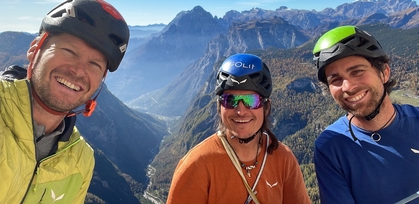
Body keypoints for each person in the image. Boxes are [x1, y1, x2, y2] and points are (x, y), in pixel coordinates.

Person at [0, 0, 129, 203]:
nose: (79, 71)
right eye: (69, 50)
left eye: (95, 64)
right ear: (35, 49)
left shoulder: (81, 160)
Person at [167, 53, 311, 204]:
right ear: (219, 107)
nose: (241, 111)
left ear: (266, 107)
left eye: (251, 100)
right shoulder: (196, 164)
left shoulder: (284, 160)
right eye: (230, 100)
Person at [312, 25, 419, 204]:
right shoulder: (332, 148)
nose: (348, 87)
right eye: (336, 79)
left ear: (384, 72)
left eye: (357, 72)